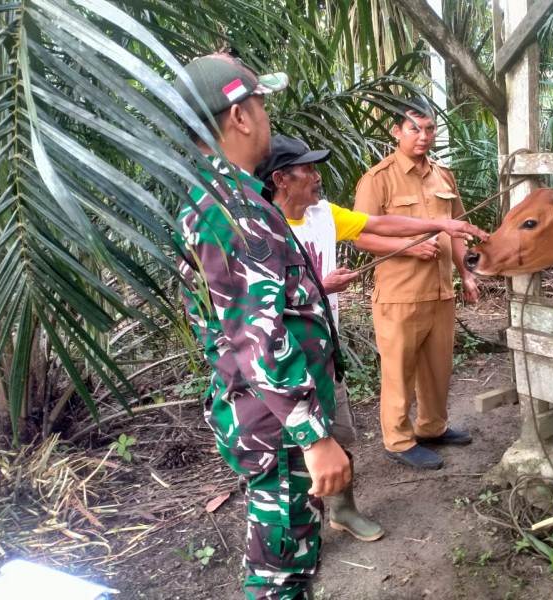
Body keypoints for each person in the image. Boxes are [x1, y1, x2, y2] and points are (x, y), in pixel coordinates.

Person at [172, 53, 349, 600]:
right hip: (278, 429)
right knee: (277, 574)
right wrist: (315, 437)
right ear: (239, 117)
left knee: (291, 552)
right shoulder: (231, 211)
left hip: (267, 419)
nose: (267, 117)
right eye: (261, 104)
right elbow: (259, 336)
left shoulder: (224, 195)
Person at [254, 135, 488, 542]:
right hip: (278, 355)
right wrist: (316, 286)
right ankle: (288, 534)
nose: (316, 175)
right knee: (285, 446)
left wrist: (440, 223)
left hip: (323, 346)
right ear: (280, 179)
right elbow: (247, 306)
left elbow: (378, 223)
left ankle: (343, 510)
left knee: (338, 433)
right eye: (307, 169)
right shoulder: (257, 228)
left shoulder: (322, 214)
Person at [353, 98, 480, 470]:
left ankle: (432, 428)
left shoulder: (444, 176)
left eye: (429, 129)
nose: (423, 137)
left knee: (438, 368)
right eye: (414, 129)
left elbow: (457, 231)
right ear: (396, 131)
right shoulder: (378, 179)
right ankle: (398, 440)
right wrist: (406, 250)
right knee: (399, 370)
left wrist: (466, 273)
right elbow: (360, 236)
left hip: (440, 292)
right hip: (400, 295)